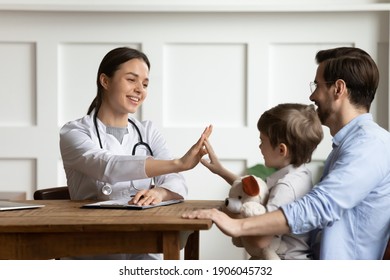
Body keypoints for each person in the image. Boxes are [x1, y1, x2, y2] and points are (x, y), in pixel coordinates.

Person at [183, 46, 390, 260]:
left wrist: (238, 225)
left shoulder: (370, 144)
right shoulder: (351, 144)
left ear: (338, 89)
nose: (312, 95)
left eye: (317, 85)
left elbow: (321, 205)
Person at [60, 47, 212, 259]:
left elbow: (176, 182)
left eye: (145, 84)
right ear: (105, 81)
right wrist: (178, 163)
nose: (140, 89)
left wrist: (160, 193)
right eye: (131, 80)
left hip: (145, 245)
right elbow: (107, 166)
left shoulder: (147, 131)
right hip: (94, 249)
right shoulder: (74, 132)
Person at [201, 103, 323, 259]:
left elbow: (261, 239)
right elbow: (258, 193)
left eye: (262, 140)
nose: (260, 146)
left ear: (281, 150)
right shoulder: (299, 174)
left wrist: (228, 217)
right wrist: (221, 171)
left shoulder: (285, 188)